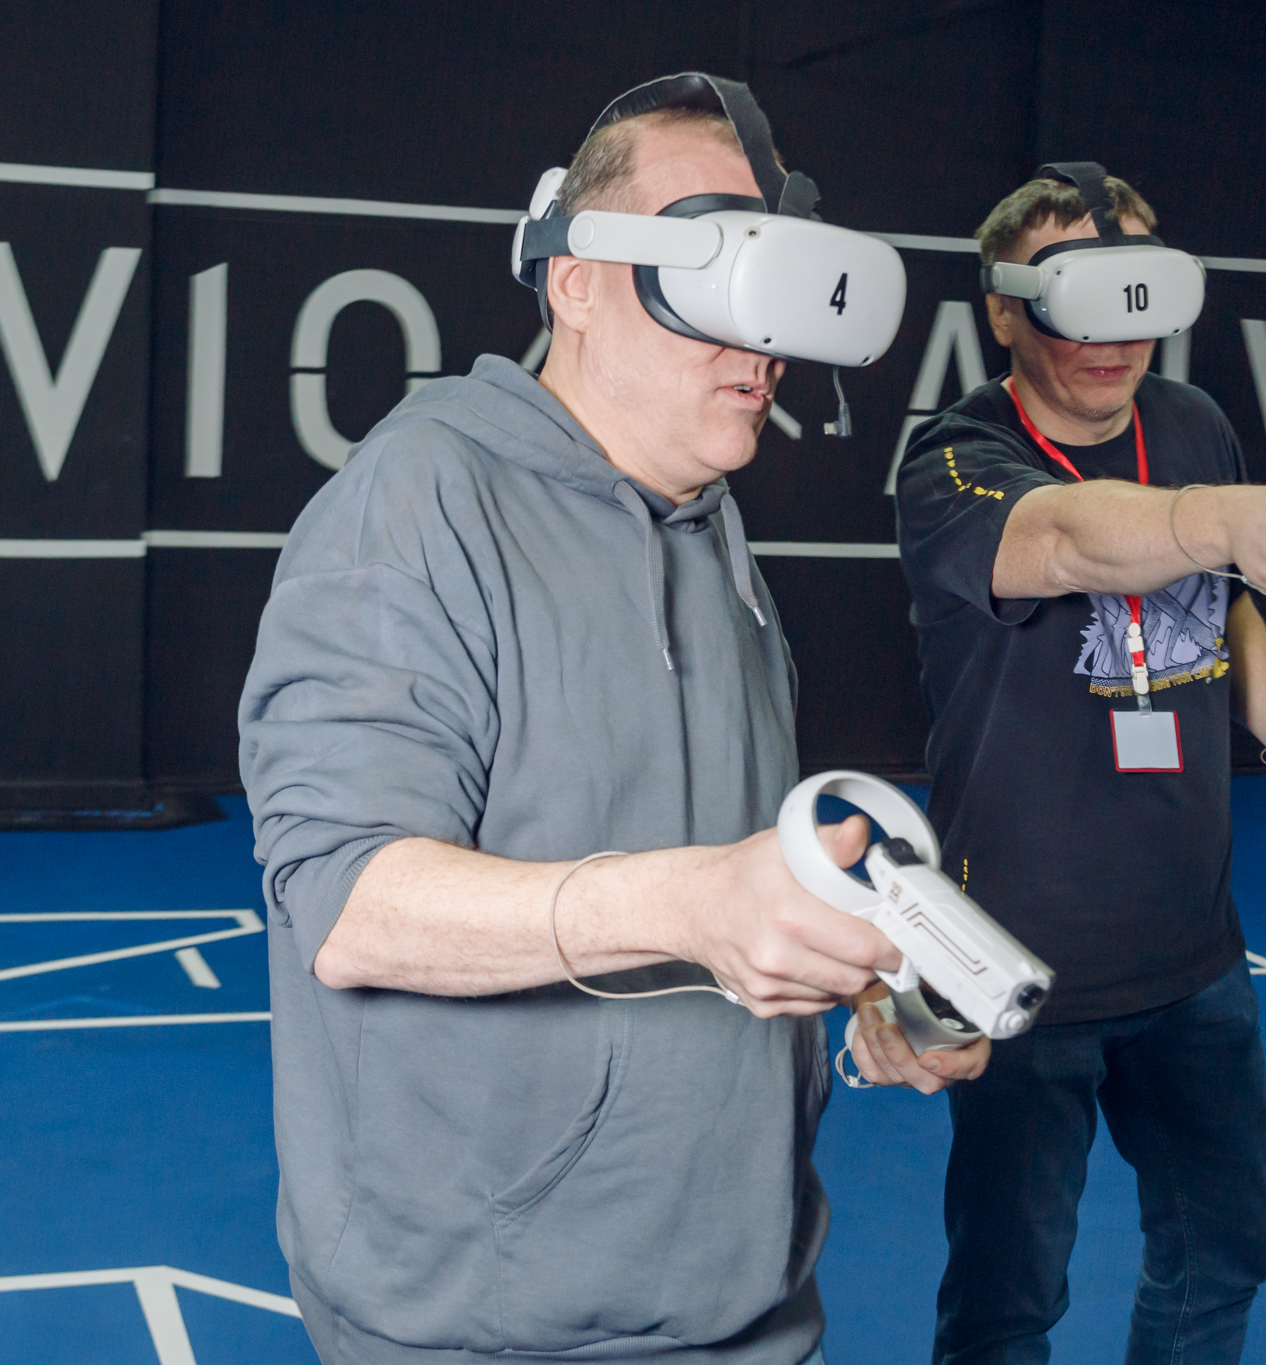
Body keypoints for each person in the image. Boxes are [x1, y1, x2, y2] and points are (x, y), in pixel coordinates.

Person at [238, 77, 979, 1365]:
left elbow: (705, 859)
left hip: (742, 1293)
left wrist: (859, 980)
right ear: (575, 282)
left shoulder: (707, 524)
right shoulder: (419, 498)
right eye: (711, 274)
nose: (759, 341)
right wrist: (690, 906)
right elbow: (347, 905)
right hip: (492, 1324)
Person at [883, 167, 1266, 1364]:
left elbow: (1224, 605)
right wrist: (1220, 519)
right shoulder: (952, 461)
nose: (1114, 337)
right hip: (1012, 961)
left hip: (1192, 953)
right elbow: (1063, 541)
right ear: (1003, 310)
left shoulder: (1193, 424)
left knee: (1222, 1250)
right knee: (1005, 1302)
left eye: (1139, 297)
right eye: (1077, 299)